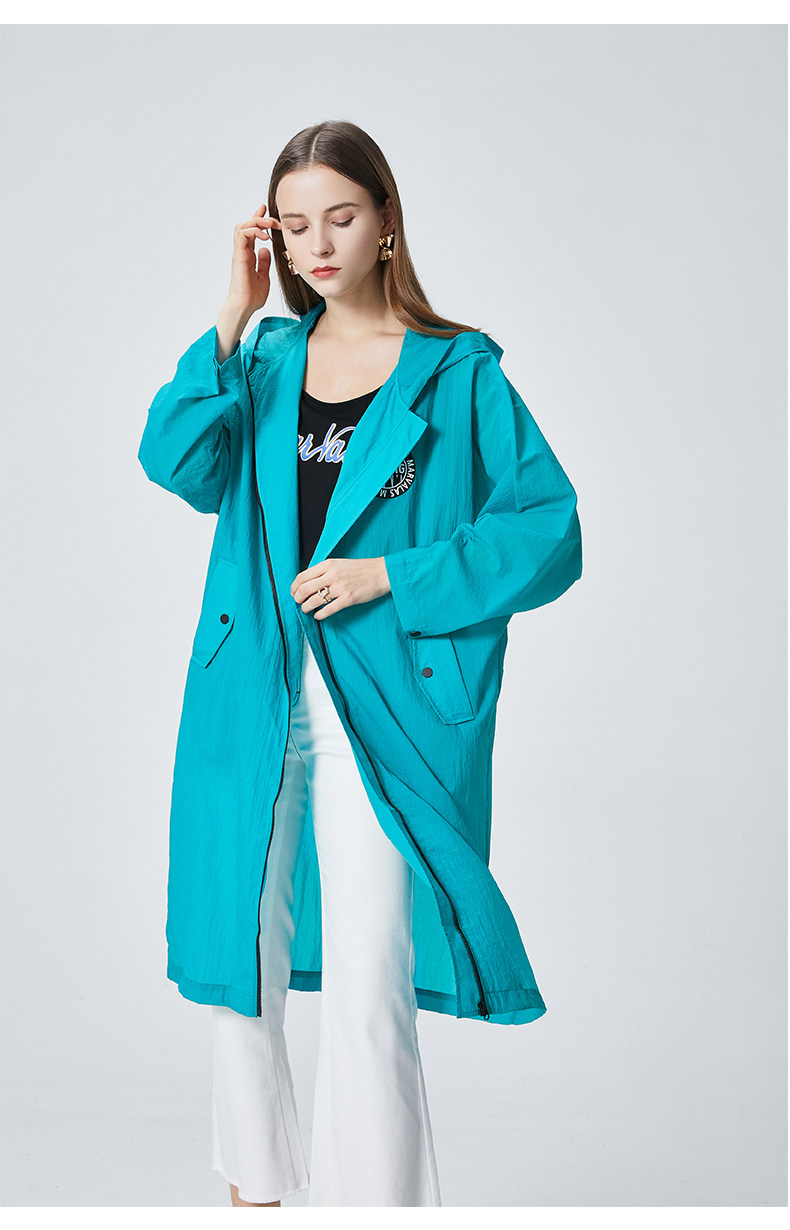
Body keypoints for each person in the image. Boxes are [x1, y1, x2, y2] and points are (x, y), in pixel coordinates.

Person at [137, 119, 583, 1208]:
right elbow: (175, 461)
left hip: (383, 706)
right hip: (252, 693)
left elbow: (549, 530)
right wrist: (231, 316)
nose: (318, 244)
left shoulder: (455, 372)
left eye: (340, 217)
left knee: (369, 980)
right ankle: (256, 1199)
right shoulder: (263, 362)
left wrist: (394, 575)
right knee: (236, 960)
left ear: (386, 222)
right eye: (295, 226)